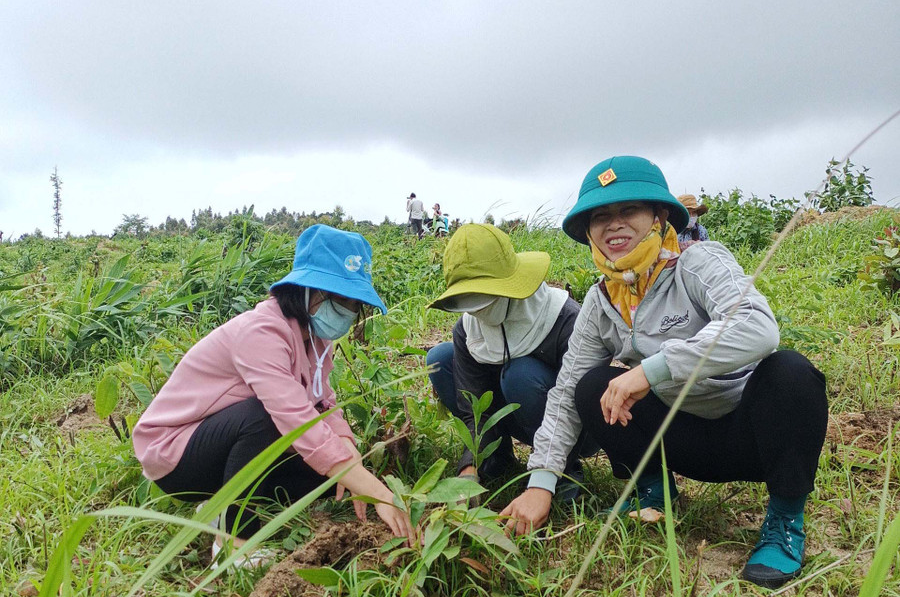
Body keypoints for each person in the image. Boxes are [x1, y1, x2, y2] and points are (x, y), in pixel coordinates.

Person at [500, 156, 827, 588]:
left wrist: (651, 370)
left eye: (628, 211)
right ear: (589, 232)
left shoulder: (697, 263)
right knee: (590, 385)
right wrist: (541, 482)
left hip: (747, 434)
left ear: (658, 216)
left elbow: (756, 327)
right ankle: (654, 490)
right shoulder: (602, 301)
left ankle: (785, 520)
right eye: (601, 216)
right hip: (679, 436)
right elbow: (563, 395)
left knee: (792, 373)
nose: (614, 225)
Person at [133, 224, 413, 566]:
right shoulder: (261, 332)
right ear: (309, 290)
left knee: (326, 476)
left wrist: (351, 457)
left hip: (226, 445)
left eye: (356, 304)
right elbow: (295, 417)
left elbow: (324, 402)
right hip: (176, 454)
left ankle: (218, 507)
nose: (349, 312)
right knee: (267, 419)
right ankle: (234, 545)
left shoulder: (316, 339)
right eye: (342, 300)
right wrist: (377, 491)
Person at [426, 224, 591, 499]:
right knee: (441, 359)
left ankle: (563, 471)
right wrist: (470, 465)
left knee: (519, 374)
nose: (478, 311)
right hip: (514, 416)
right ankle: (496, 459)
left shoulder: (565, 319)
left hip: (572, 424)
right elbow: (474, 406)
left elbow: (575, 401)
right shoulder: (467, 329)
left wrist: (546, 475)